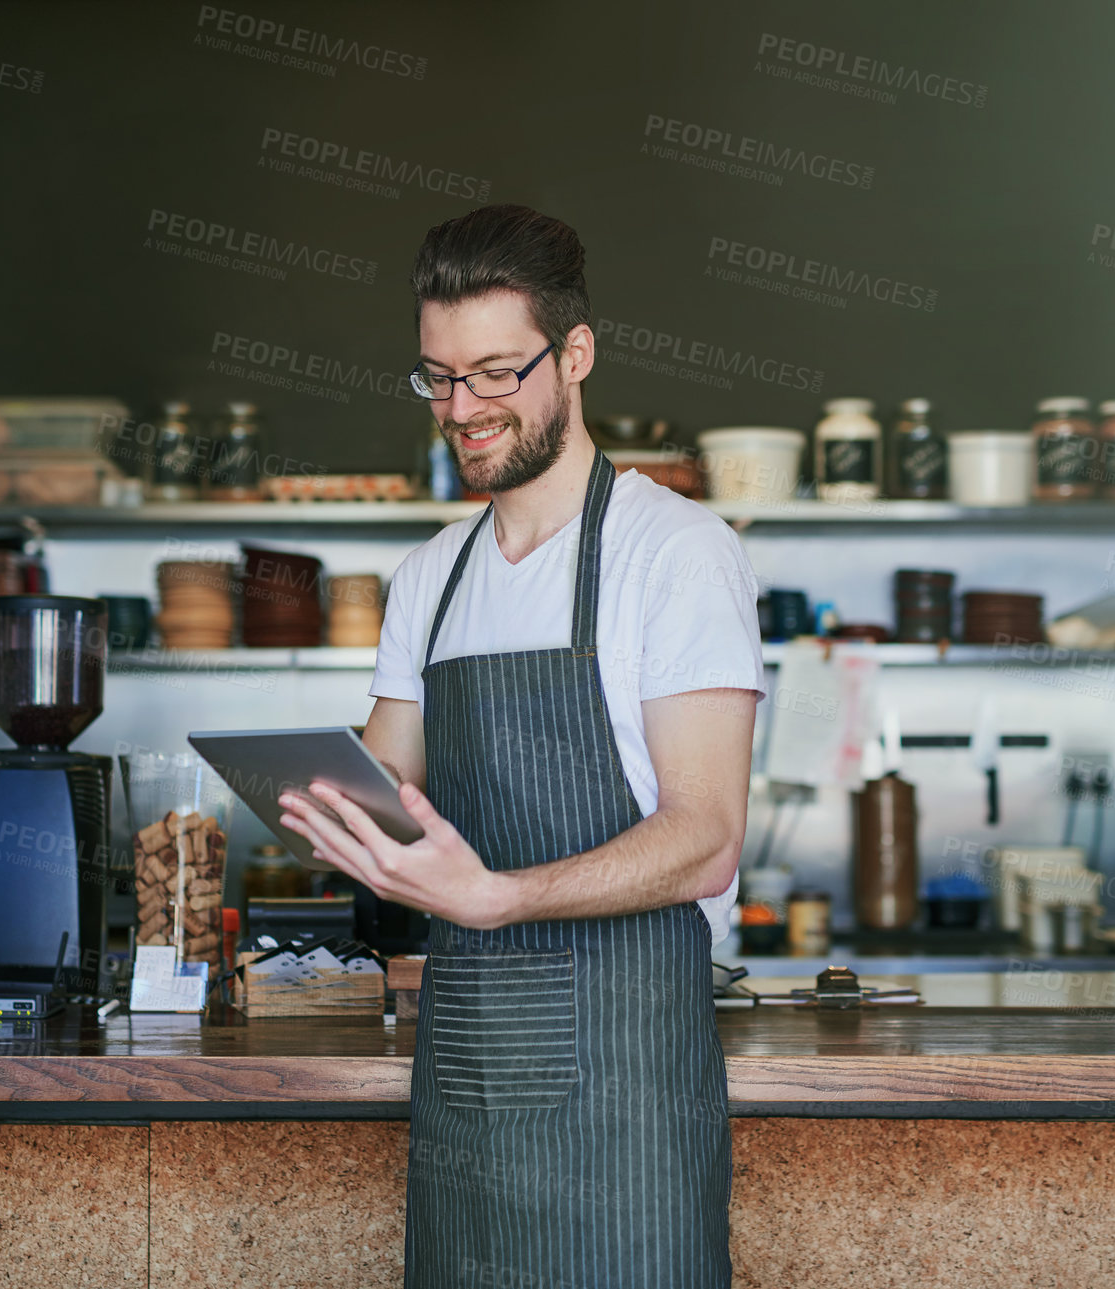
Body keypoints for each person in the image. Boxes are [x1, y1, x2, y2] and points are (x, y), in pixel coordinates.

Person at [278, 203, 763, 1288]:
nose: (464, 408)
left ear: (576, 354)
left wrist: (498, 894)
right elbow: (386, 783)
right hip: (468, 1096)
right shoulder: (430, 579)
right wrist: (323, 809)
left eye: (496, 373)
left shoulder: (675, 554)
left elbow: (705, 839)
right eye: (440, 377)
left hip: (626, 1110)